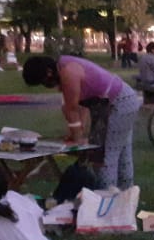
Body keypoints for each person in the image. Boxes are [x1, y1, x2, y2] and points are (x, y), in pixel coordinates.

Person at [22, 55, 141, 189]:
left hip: (118, 104)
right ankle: (126, 197)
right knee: (122, 152)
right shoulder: (65, 64)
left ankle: (106, 200)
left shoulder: (68, 72)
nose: (47, 86)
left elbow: (71, 109)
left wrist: (77, 138)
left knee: (104, 158)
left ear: (48, 72)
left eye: (43, 82)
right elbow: (82, 106)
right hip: (122, 98)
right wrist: (77, 133)